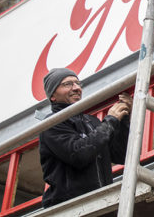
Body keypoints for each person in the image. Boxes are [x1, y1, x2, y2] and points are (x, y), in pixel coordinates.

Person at [39, 68, 132, 208]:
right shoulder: (52, 123)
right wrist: (110, 121)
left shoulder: (92, 122)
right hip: (69, 208)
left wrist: (123, 120)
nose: (76, 88)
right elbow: (79, 155)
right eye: (67, 84)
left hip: (102, 201)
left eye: (78, 83)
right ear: (53, 96)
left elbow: (121, 156)